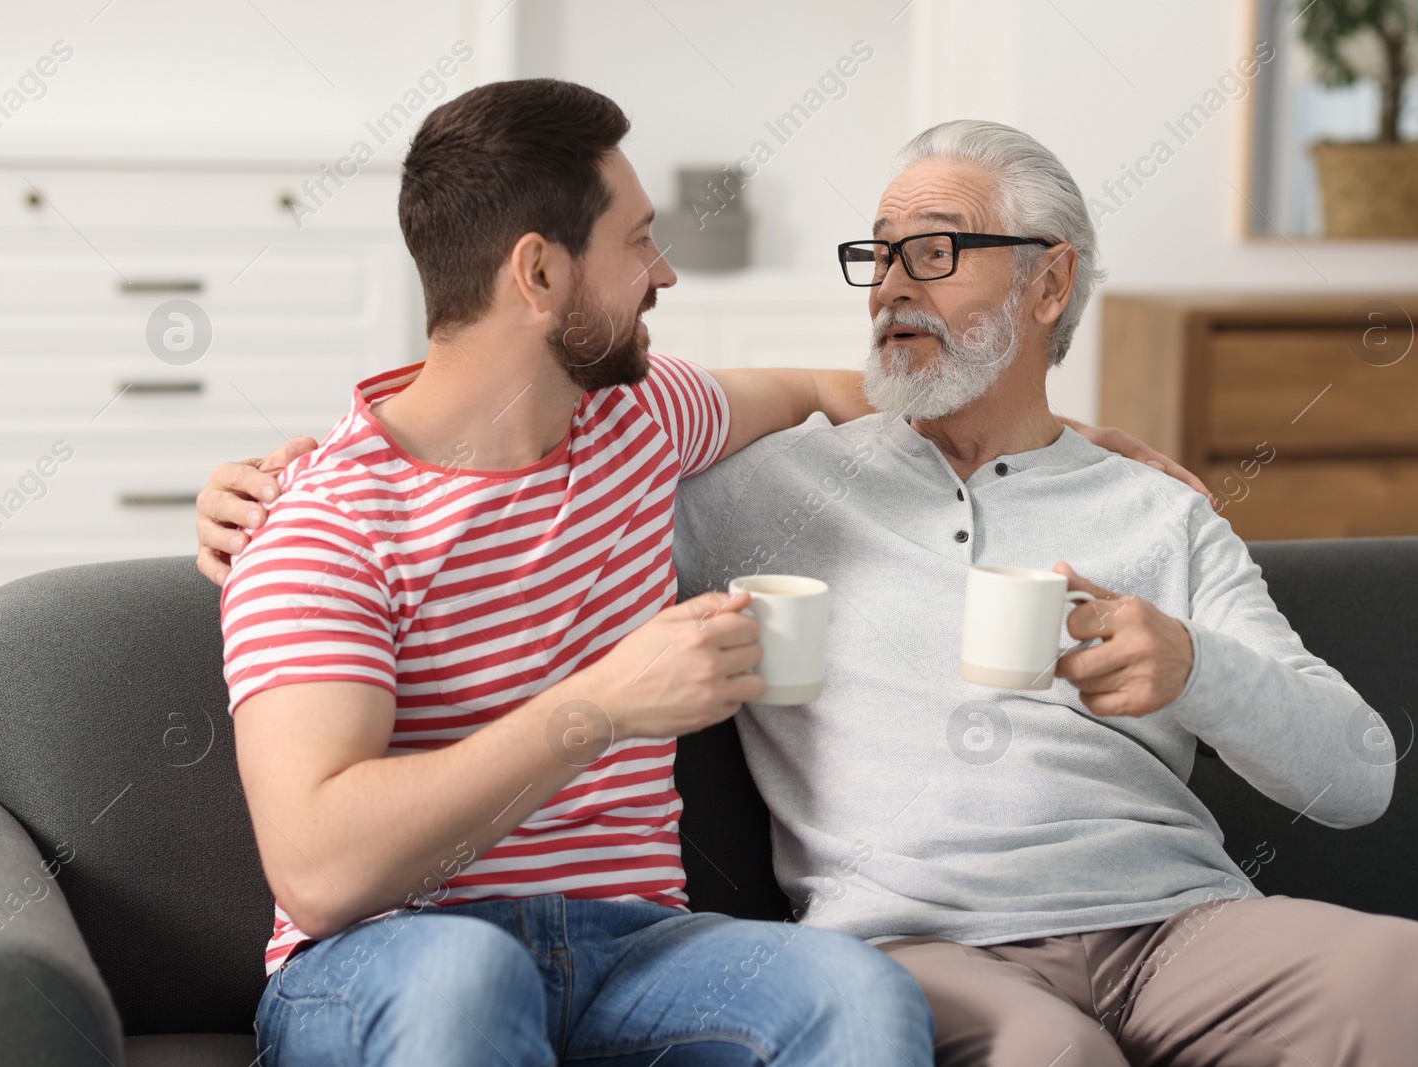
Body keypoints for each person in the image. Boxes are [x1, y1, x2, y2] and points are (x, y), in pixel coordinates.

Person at [663, 120, 1418, 1066]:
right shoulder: (767, 492)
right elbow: (580, 447)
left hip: (1176, 924)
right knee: (1051, 1054)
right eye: (880, 254)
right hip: (916, 942)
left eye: (934, 251)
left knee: (1410, 974)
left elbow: (1359, 776)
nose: (893, 283)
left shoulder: (1160, 511)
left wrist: (1195, 669)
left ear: (1050, 283)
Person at [214, 78, 937, 1066]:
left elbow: (819, 388)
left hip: (637, 945)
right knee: (470, 976)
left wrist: (1078, 444)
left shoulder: (642, 418)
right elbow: (322, 870)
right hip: (388, 953)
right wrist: (598, 705)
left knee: (853, 991)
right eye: (638, 241)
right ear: (540, 274)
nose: (665, 273)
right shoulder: (323, 521)